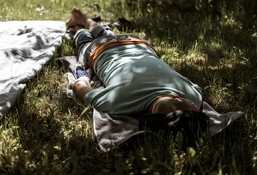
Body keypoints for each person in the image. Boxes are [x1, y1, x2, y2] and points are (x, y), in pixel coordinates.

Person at [66, 8, 203, 116]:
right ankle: (78, 28)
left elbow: (184, 79)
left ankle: (84, 20)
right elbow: (79, 86)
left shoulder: (194, 97)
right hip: (100, 50)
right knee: (84, 41)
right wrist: (84, 74)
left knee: (108, 35)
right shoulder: (117, 103)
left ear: (175, 96)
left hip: (137, 43)